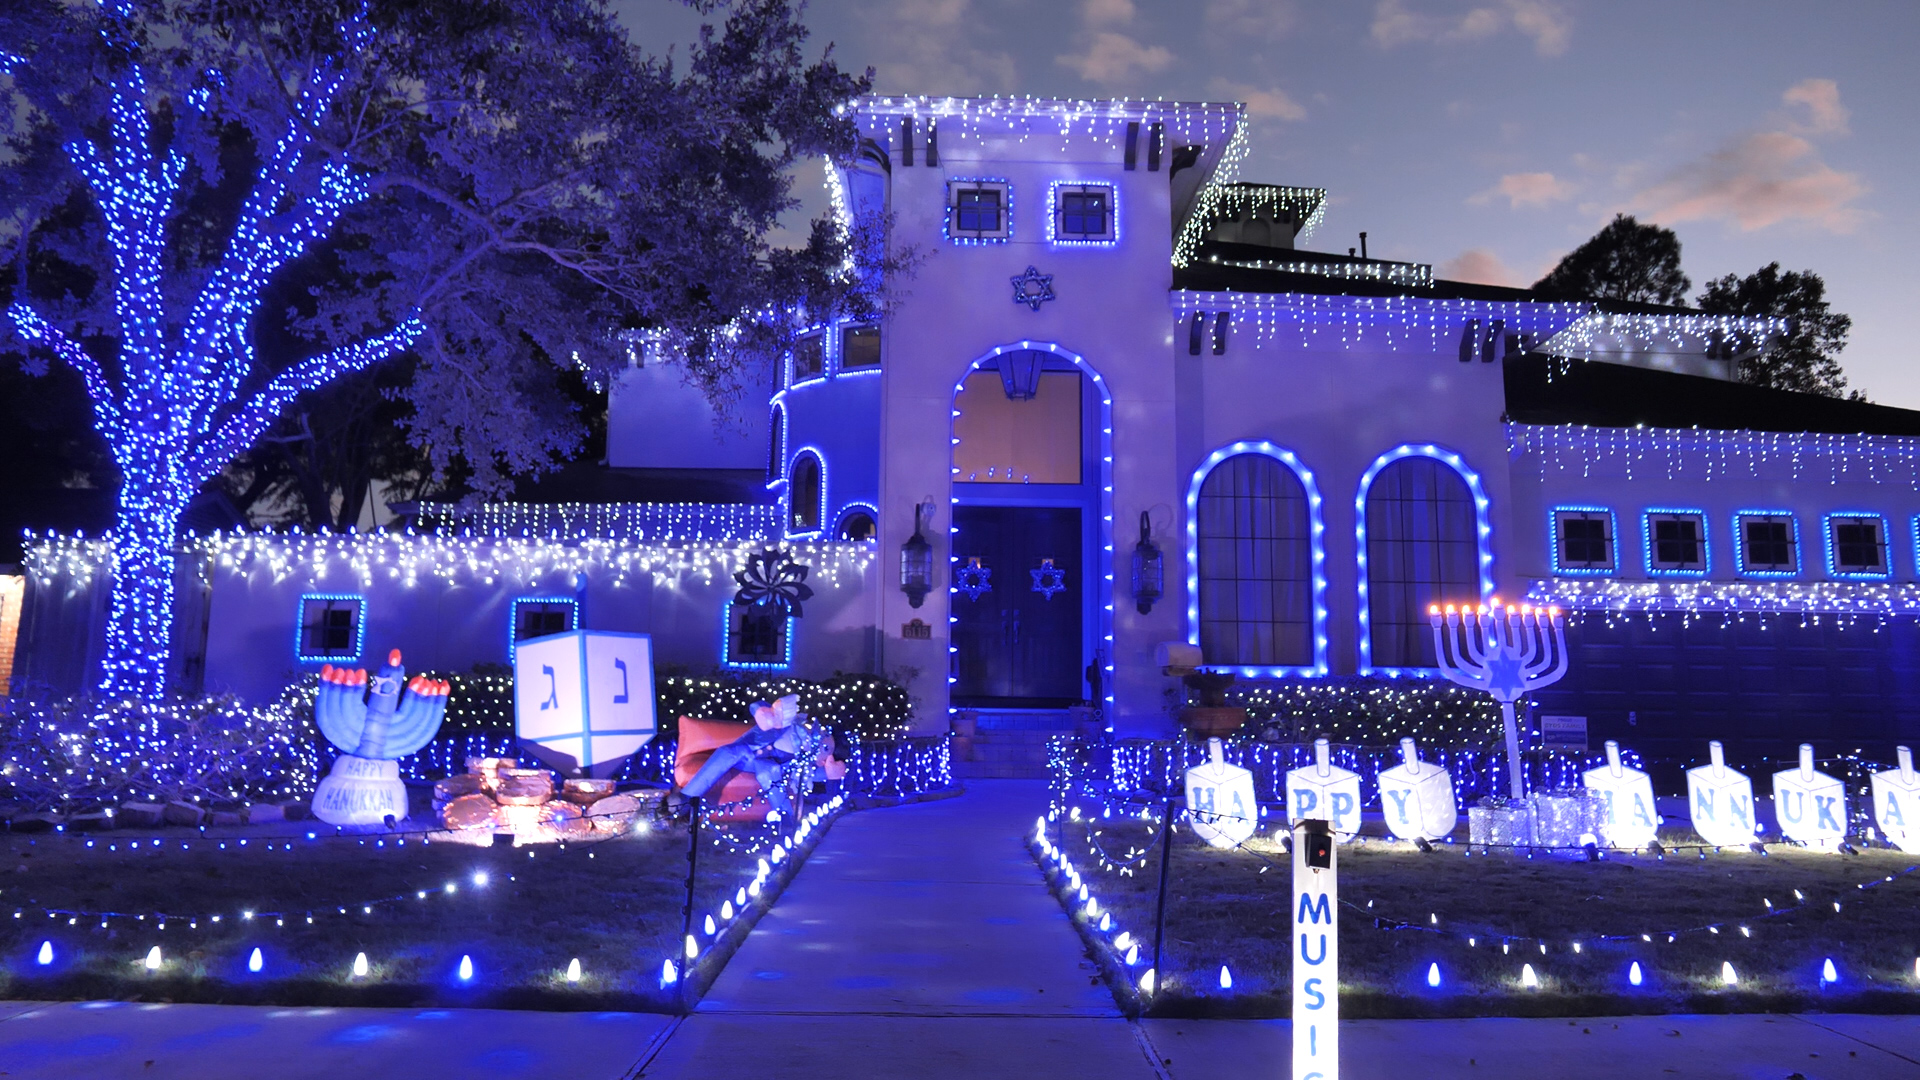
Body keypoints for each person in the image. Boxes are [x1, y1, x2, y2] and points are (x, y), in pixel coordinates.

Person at [679, 694, 807, 818]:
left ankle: (786, 816)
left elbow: (806, 752)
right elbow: (755, 705)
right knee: (728, 752)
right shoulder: (769, 715)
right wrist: (761, 712)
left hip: (770, 763)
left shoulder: (798, 730)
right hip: (747, 753)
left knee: (767, 772)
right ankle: (686, 797)